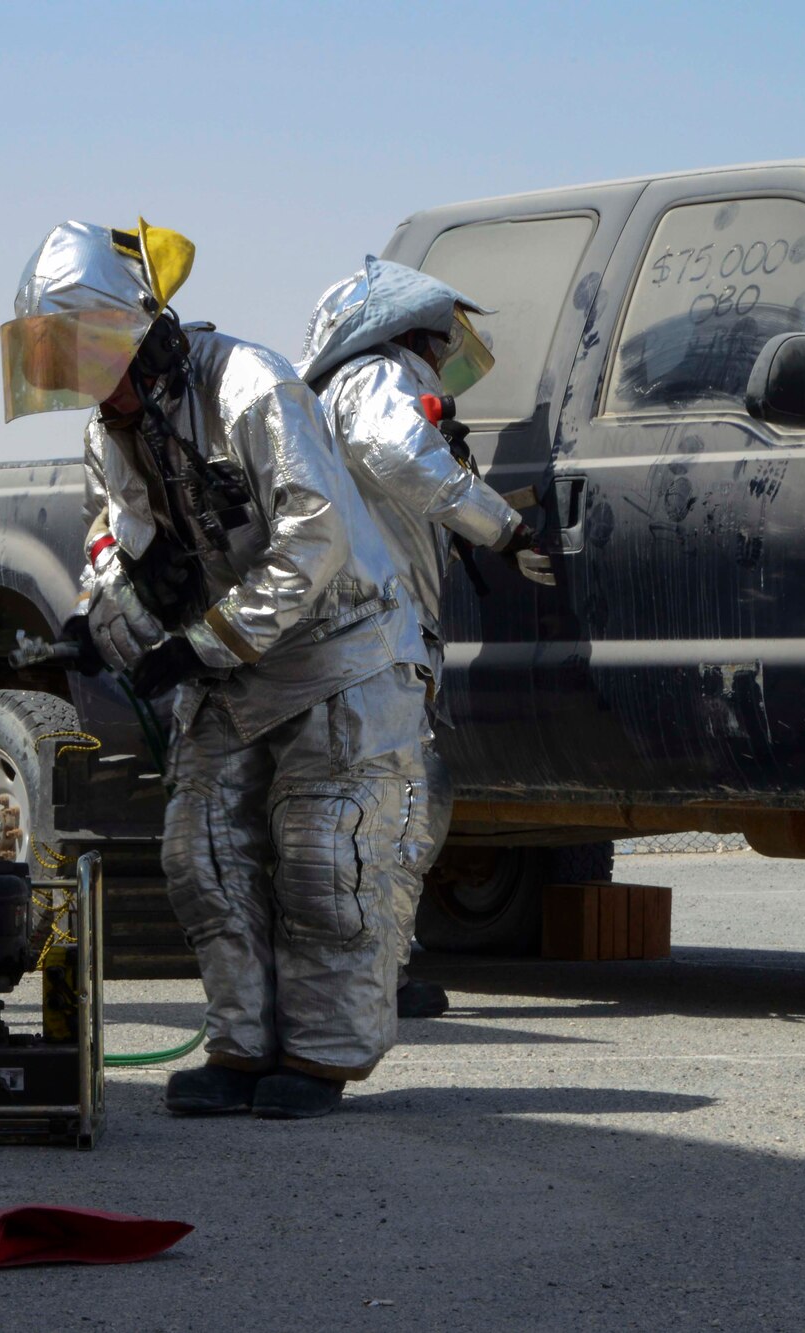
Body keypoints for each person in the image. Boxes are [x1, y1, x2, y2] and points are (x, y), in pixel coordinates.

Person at [1, 221, 434, 1119]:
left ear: (138, 332)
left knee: (326, 851)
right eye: (60, 360)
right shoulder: (110, 433)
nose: (78, 380)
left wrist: (202, 643)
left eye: (85, 353)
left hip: (340, 647)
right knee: (200, 849)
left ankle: (320, 1056)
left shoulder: (253, 386)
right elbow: (117, 540)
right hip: (232, 658)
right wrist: (107, 616)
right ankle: (241, 1046)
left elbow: (315, 537)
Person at [297, 258, 555, 1019]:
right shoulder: (382, 376)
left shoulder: (338, 391)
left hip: (352, 633)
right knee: (406, 796)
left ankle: (351, 965)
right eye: (443, 338)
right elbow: (402, 453)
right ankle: (372, 969)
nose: (448, 354)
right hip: (376, 635)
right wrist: (502, 528)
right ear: (408, 330)